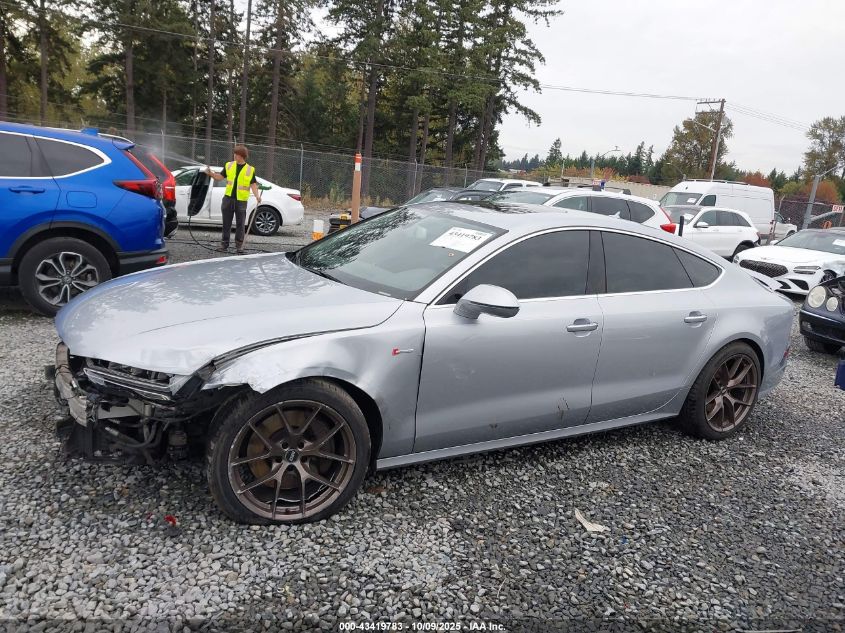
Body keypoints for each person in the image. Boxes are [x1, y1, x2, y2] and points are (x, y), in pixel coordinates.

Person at [205, 145, 262, 254]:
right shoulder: (229, 165)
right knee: (226, 223)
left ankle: (239, 246)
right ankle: (224, 245)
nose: (234, 155)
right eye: (234, 153)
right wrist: (210, 173)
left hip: (241, 201)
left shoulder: (250, 169)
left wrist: (257, 196)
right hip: (228, 199)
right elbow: (219, 177)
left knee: (240, 224)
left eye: (237, 154)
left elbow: (253, 184)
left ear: (242, 156)